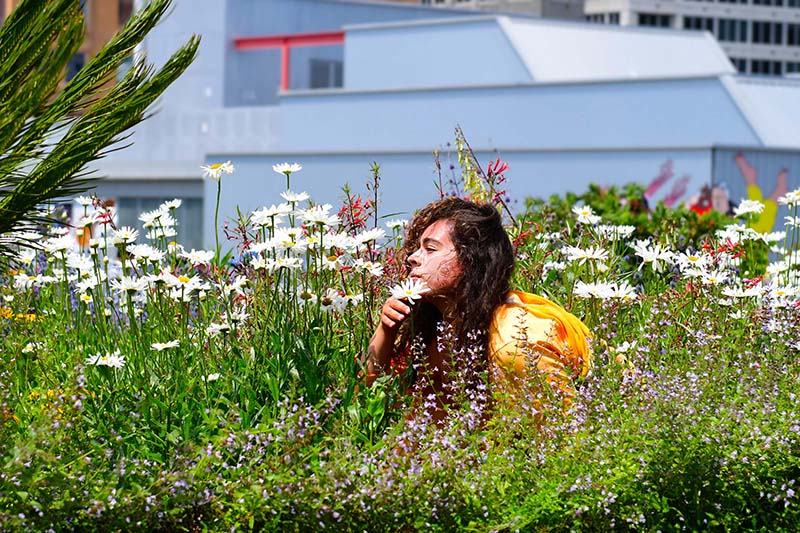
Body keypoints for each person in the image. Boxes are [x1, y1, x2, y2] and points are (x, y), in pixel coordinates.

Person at [366, 197, 592, 421]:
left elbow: (565, 435)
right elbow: (369, 399)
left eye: (431, 249)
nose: (413, 258)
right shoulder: (433, 328)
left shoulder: (514, 340)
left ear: (470, 260)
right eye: (416, 249)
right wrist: (387, 330)